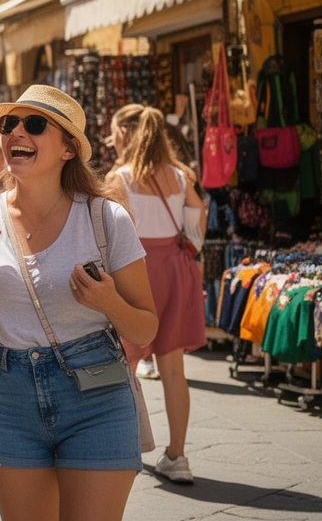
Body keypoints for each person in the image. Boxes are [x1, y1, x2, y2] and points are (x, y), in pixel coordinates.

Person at [0, 85, 158, 521]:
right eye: (8, 124)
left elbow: (145, 329)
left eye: (34, 124)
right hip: (8, 395)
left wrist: (110, 301)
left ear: (69, 149)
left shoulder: (106, 218)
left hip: (96, 395)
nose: (17, 132)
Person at [105, 106, 207, 484]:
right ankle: (177, 456)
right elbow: (197, 232)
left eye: (115, 131)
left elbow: (112, 237)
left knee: (125, 366)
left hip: (137, 271)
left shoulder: (121, 178)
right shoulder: (182, 177)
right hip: (176, 272)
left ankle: (125, 447)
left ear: (125, 134)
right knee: (174, 370)